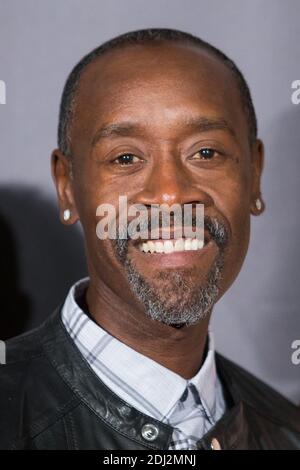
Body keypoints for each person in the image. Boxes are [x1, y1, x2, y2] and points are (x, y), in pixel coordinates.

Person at [1, 28, 299, 450]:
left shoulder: (287, 431)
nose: (170, 194)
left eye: (206, 153)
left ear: (254, 174)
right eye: (125, 158)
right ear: (67, 186)